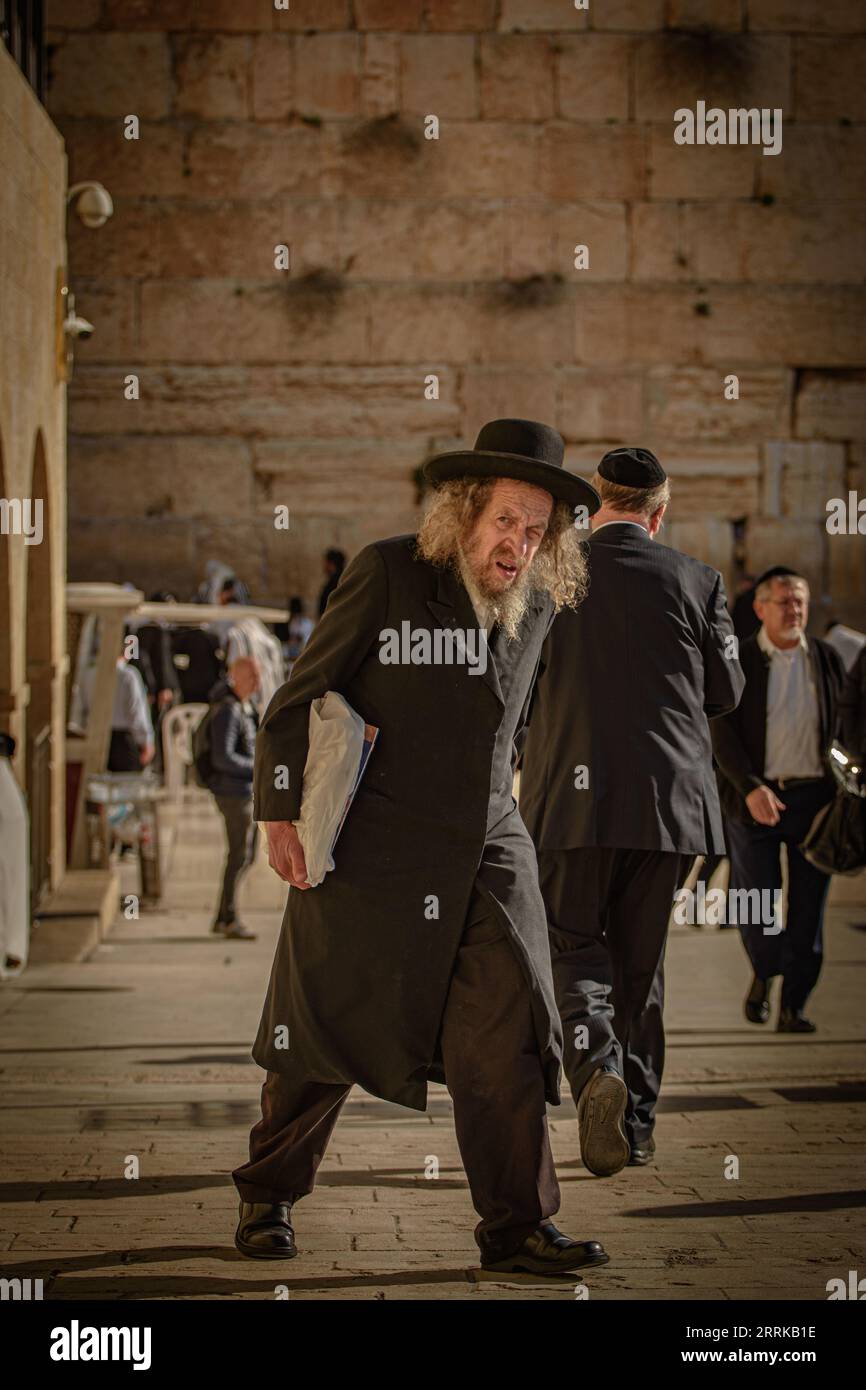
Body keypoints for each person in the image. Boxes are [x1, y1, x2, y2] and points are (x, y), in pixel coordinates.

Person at [232, 418, 611, 1276]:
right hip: (373, 845)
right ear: (466, 510)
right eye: (508, 520)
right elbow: (300, 695)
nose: (521, 543)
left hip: (487, 845)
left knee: (505, 1031)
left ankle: (515, 1225)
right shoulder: (389, 573)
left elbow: (515, 730)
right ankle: (268, 1194)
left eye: (537, 528)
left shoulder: (543, 603)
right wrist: (280, 812)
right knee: (322, 1028)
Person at [520, 447, 743, 1175]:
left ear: (595, 501)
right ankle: (639, 1124)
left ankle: (595, 1072)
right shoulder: (698, 579)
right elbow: (727, 691)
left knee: (572, 944)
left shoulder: (553, 572)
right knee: (641, 966)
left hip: (568, 803)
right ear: (660, 512)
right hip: (669, 806)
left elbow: (513, 684)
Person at [712, 567, 846, 1034]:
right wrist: (749, 786)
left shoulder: (827, 659)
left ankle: (794, 1004)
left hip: (814, 800)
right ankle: (765, 970)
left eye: (801, 601)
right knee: (757, 901)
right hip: (754, 799)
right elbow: (720, 730)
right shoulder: (741, 660)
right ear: (761, 607)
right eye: (785, 601)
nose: (795, 610)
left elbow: (845, 724)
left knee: (808, 910)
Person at [204, 657, 261, 942]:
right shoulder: (228, 710)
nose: (257, 683)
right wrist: (256, 768)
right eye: (252, 677)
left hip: (240, 789)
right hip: (232, 792)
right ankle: (227, 916)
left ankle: (224, 915)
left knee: (246, 855)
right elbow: (222, 757)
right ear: (236, 677)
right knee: (239, 854)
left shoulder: (242, 708)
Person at [317, 547, 345, 616]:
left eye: (325, 562)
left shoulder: (335, 583)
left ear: (330, 563)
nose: (324, 565)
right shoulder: (343, 579)